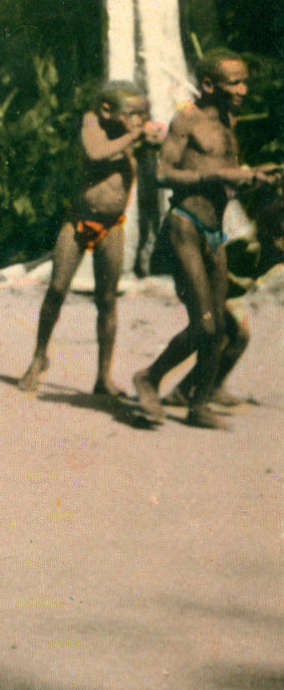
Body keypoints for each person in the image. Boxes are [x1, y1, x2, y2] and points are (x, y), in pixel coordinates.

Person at [133, 52, 279, 429]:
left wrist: (253, 175)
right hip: (185, 226)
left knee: (219, 328)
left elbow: (224, 176)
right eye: (234, 82)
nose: (243, 90)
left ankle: (198, 405)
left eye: (245, 81)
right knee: (206, 326)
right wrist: (220, 176)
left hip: (215, 231)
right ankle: (149, 378)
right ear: (210, 85)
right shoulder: (187, 120)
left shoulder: (229, 122)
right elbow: (164, 173)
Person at [17, 83, 161, 397]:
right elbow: (95, 153)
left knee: (107, 301)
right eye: (131, 113)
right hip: (79, 221)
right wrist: (136, 136)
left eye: (141, 114)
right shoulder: (92, 122)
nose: (137, 120)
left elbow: (153, 155)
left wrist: (153, 140)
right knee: (56, 289)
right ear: (108, 110)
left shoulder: (129, 133)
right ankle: (39, 357)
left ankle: (103, 377)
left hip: (113, 226)